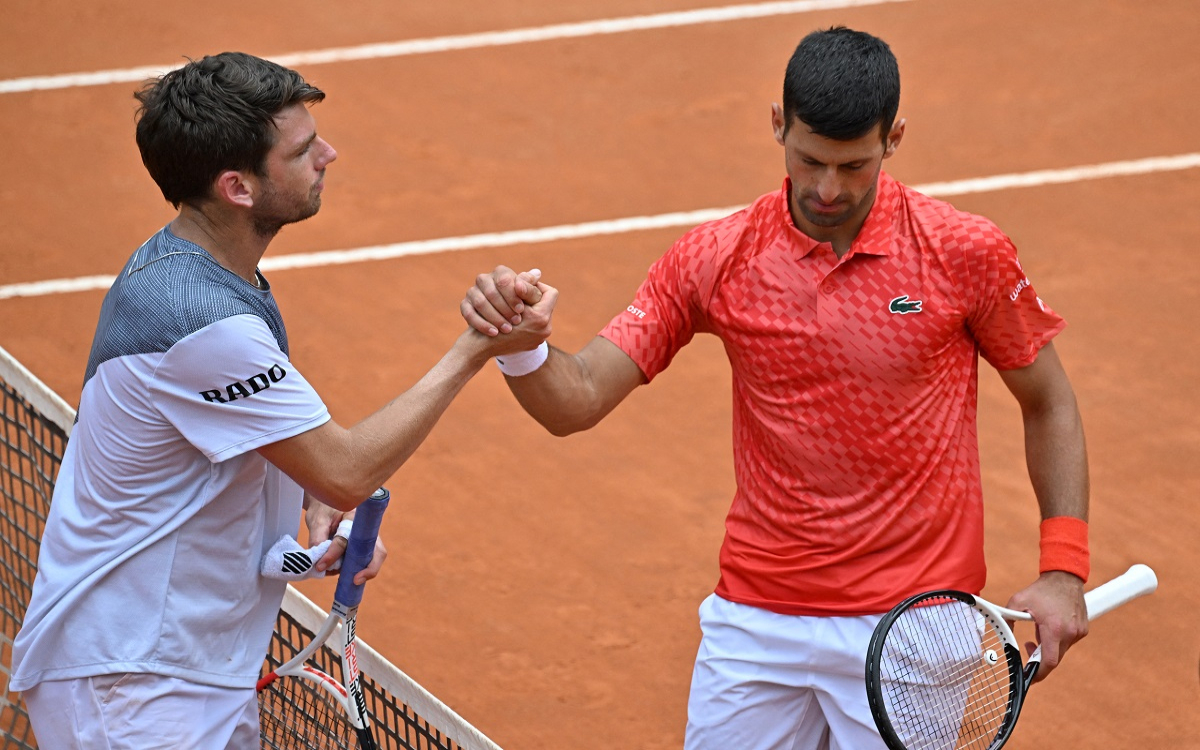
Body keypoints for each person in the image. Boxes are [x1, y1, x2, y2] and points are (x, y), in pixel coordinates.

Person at [461, 27, 1090, 750]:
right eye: (810, 159)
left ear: (895, 140)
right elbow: (577, 400)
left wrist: (1063, 569)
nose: (828, 189)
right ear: (776, 126)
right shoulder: (717, 258)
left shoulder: (962, 253)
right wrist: (522, 350)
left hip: (915, 624)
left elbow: (1049, 401)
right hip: (757, 617)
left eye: (853, 165)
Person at [10, 52, 552, 749]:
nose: (329, 153)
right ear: (238, 186)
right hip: (133, 687)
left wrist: (306, 493)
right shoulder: (202, 320)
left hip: (187, 667)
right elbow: (348, 469)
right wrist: (476, 345)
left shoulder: (202, 271)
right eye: (301, 150)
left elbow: (255, 444)